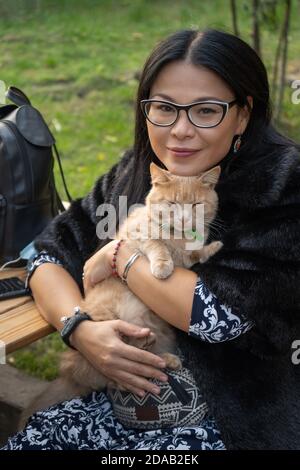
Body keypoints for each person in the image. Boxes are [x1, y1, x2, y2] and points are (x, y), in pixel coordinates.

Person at [3, 28, 300, 450]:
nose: (180, 130)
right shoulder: (138, 171)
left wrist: (124, 255)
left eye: (206, 110)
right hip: (116, 406)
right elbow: (47, 255)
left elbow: (222, 317)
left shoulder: (282, 183)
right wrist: (79, 328)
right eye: (164, 108)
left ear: (243, 114)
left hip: (232, 423)